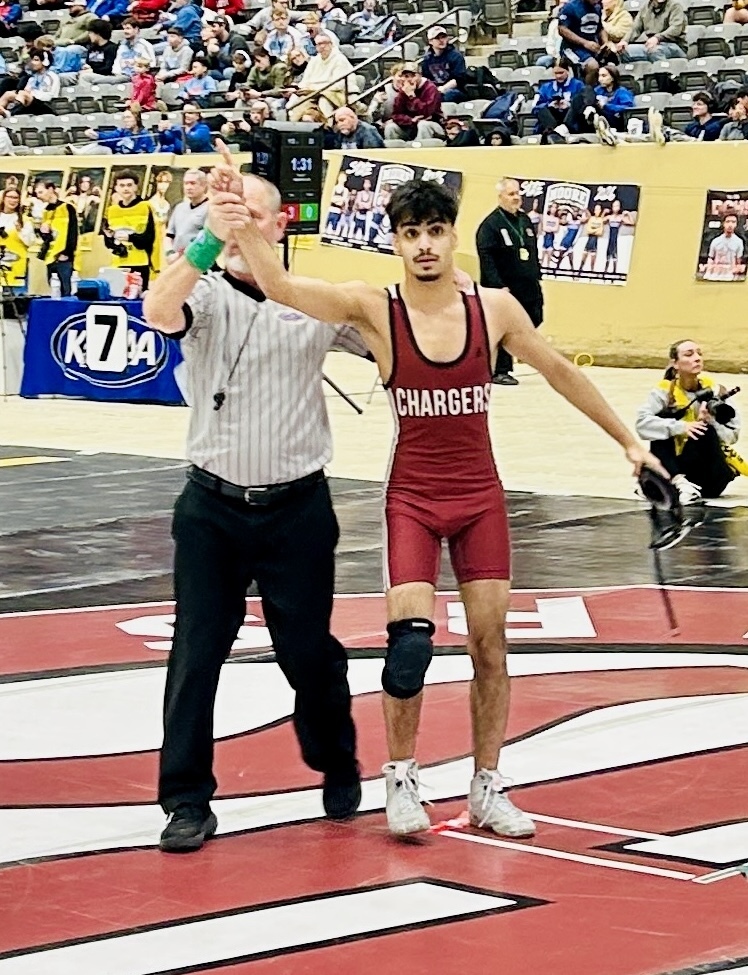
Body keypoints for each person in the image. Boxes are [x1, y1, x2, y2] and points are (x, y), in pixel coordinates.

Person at [212, 156, 663, 839]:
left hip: (480, 495)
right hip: (414, 501)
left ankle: (488, 784)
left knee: (491, 647)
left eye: (434, 230)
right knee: (410, 649)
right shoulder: (374, 307)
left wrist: (630, 443)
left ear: (453, 236)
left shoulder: (496, 307)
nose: (423, 244)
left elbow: (562, 371)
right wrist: (242, 225)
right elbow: (277, 285)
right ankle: (400, 777)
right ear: (393, 242)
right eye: (410, 233)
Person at [141, 168, 365, 853]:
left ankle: (336, 758)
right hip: (213, 507)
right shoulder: (204, 292)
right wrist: (208, 237)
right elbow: (157, 309)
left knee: (309, 653)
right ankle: (185, 797)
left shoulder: (313, 300)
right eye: (229, 213)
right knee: (195, 652)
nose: (240, 223)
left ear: (280, 223)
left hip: (297, 507)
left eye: (251, 214)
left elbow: (383, 330)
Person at [636, 339, 741, 502]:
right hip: (678, 466)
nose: (697, 358)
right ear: (675, 363)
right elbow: (642, 425)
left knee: (704, 430)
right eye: (689, 354)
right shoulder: (664, 391)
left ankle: (667, 486)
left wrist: (710, 422)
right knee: (662, 420)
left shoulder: (716, 391)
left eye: (699, 353)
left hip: (711, 475)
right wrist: (681, 427)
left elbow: (732, 436)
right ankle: (678, 482)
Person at [476, 178, 543, 386]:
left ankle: (513, 351)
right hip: (504, 288)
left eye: (517, 193)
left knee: (535, 317)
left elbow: (532, 250)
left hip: (528, 284)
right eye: (511, 194)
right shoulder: (491, 225)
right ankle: (500, 370)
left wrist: (536, 274)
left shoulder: (525, 220)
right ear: (501, 197)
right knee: (506, 326)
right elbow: (486, 257)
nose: (516, 198)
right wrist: (497, 285)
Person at [100, 169, 155, 287]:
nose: (126, 189)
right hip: (118, 263)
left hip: (140, 263)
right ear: (116, 188)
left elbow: (150, 237)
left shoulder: (146, 207)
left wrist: (130, 237)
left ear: (136, 187)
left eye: (129, 185)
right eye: (122, 185)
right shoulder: (112, 210)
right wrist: (112, 241)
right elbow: (108, 241)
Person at [286, 32, 356, 122]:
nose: (322, 46)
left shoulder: (340, 59)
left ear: (331, 44)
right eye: (319, 44)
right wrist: (299, 89)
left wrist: (315, 88)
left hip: (337, 93)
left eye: (325, 43)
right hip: (313, 93)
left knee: (324, 101)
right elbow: (305, 81)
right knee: (295, 103)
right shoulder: (314, 61)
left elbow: (339, 84)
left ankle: (328, 127)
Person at [383, 62, 444, 142]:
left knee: (423, 124)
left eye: (413, 76)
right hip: (409, 125)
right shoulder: (404, 89)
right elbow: (396, 114)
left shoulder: (430, 88)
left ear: (419, 75)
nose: (408, 79)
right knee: (390, 127)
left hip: (432, 125)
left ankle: (421, 153)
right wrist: (410, 120)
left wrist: (412, 97)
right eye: (406, 76)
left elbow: (427, 113)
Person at [36, 181, 78, 296]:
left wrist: (67, 252)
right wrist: (43, 232)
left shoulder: (67, 207)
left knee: (66, 288)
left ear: (50, 189)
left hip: (63, 255)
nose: (39, 196)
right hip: (50, 255)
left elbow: (73, 231)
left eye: (41, 192)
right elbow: (47, 237)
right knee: (54, 289)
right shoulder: (46, 211)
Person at [532, 58, 584, 139]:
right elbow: (535, 107)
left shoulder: (578, 85)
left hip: (570, 121)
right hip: (551, 121)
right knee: (541, 109)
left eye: (561, 73)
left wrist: (569, 104)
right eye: (556, 73)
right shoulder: (545, 87)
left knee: (578, 102)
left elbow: (583, 104)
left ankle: (560, 131)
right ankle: (556, 133)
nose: (558, 76)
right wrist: (549, 105)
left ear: (568, 70)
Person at [618, 0, 687, 61]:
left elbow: (676, 28)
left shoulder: (675, 6)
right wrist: (625, 41)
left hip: (674, 45)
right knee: (624, 52)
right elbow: (635, 28)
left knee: (656, 51)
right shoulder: (645, 8)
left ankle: (663, 74)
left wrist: (657, 38)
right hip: (650, 45)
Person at [164, 167, 208, 262]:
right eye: (186, 183)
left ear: (204, 185)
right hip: (176, 261)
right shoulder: (179, 208)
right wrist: (169, 253)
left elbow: (207, 239)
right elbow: (169, 235)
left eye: (193, 183)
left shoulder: (210, 209)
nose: (188, 187)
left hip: (199, 262)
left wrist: (184, 254)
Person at [74, 105, 156, 153]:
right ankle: (80, 151)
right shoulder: (122, 131)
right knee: (101, 146)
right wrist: (96, 135)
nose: (125, 120)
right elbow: (110, 136)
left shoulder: (144, 134)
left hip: (133, 162)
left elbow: (148, 152)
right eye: (124, 118)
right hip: (116, 159)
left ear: (137, 118)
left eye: (128, 117)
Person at [420, 25, 467, 104]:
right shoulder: (427, 59)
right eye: (437, 38)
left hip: (455, 89)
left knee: (448, 96)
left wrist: (443, 88)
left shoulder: (455, 56)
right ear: (430, 41)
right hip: (435, 89)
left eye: (443, 37)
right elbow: (426, 79)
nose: (441, 40)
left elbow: (459, 79)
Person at [0, 186, 36, 292]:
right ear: (4, 198)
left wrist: (21, 231)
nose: (13, 200)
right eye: (10, 197)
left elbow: (30, 242)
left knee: (15, 303)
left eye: (16, 198)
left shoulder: (24, 220)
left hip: (16, 268)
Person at [558, 0, 608, 71]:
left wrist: (606, 42)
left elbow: (600, 28)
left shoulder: (597, 7)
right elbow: (562, 29)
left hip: (592, 48)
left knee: (609, 67)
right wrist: (585, 43)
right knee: (593, 66)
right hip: (572, 48)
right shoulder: (570, 6)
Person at [701, 214, 745, 281]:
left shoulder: (739, 242)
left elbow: (738, 261)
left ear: (736, 224)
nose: (730, 225)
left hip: (730, 276)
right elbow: (710, 259)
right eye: (728, 221)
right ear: (723, 223)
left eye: (733, 222)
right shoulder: (715, 241)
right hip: (715, 275)